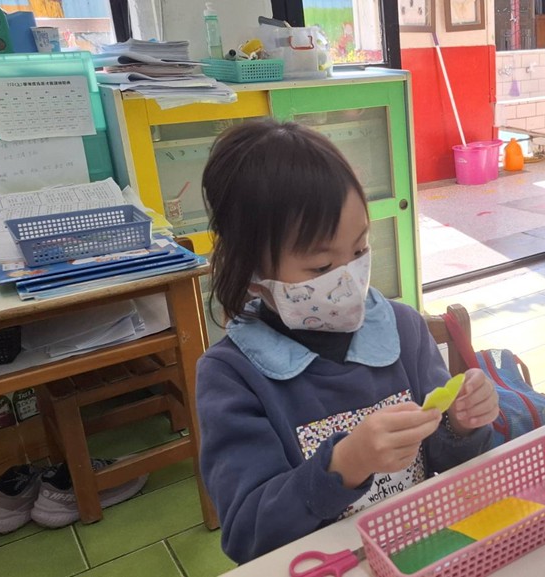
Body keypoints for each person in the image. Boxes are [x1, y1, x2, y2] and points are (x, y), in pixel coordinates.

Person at [196, 120, 499, 563]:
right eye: (321, 267)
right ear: (252, 271)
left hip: (419, 555)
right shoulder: (232, 376)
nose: (348, 278)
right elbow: (248, 533)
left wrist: (462, 423)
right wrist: (346, 464)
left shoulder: (403, 328)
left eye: (358, 251)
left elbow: (443, 459)